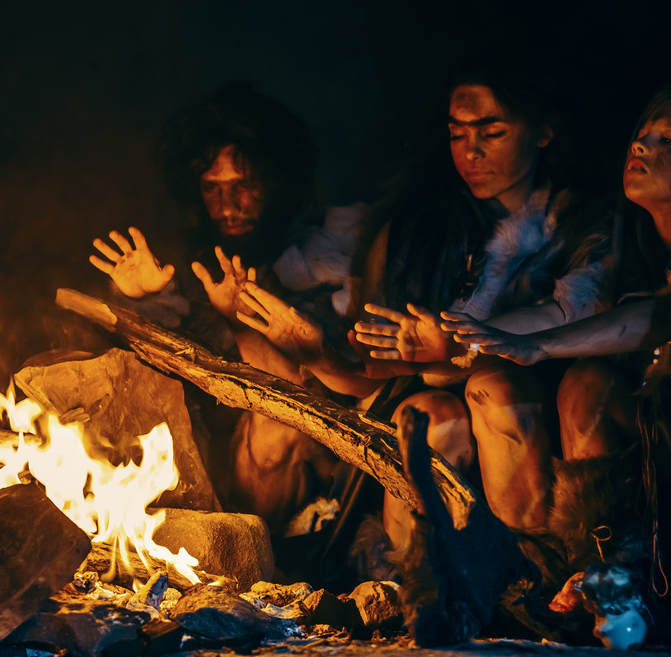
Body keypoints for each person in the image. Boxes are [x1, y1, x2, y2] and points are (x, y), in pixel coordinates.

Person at [237, 63, 612, 578]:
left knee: (497, 387)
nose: (471, 152)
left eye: (492, 132)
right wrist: (315, 352)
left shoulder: (580, 223)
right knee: (430, 415)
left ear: (543, 131)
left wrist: (460, 346)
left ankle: (532, 575)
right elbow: (374, 373)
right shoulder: (420, 232)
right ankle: (415, 580)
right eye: (457, 134)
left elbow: (578, 312)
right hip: (438, 420)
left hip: (536, 415)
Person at [442, 83, 671, 622]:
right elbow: (575, 310)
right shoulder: (629, 243)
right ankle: (599, 572)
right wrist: (472, 336)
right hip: (665, 456)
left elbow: (662, 315)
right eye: (640, 138)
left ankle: (638, 584)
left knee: (586, 381)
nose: (642, 148)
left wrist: (536, 344)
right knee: (583, 386)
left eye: (669, 140)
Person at [88, 82, 362, 553]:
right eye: (212, 188)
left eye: (245, 186)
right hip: (201, 473)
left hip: (298, 484)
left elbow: (307, 395)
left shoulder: (324, 263)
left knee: (278, 426)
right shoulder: (187, 263)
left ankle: (248, 552)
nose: (228, 206)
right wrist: (139, 301)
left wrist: (241, 320)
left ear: (278, 183)